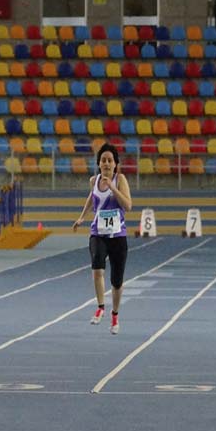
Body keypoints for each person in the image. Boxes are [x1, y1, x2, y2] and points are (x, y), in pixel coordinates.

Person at [73, 144, 133, 335]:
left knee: (117, 281)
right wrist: (82, 217)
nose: (106, 163)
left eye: (110, 160)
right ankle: (100, 307)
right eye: (103, 160)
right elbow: (91, 198)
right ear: (99, 163)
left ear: (115, 164)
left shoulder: (120, 180)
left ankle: (115, 315)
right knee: (97, 267)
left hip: (118, 236)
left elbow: (128, 206)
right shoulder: (94, 180)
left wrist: (113, 188)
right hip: (98, 233)